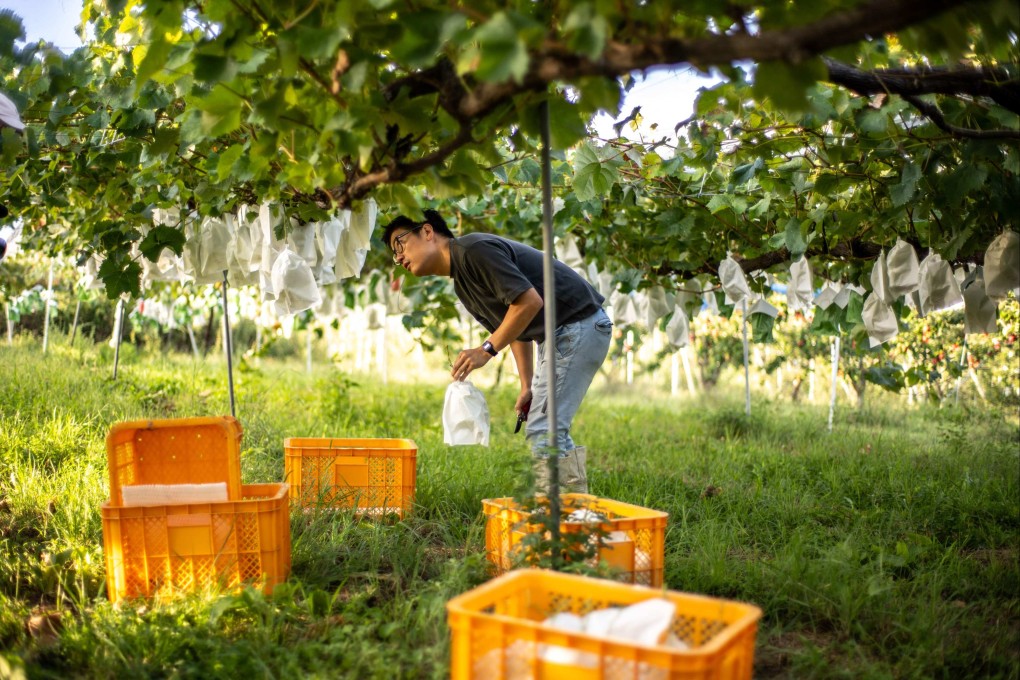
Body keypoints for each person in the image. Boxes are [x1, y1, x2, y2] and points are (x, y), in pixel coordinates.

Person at [383, 208, 612, 493]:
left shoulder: (473, 250)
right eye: (395, 254)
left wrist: (486, 349)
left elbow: (529, 302)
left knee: (545, 429)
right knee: (544, 428)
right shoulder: (462, 285)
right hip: (559, 334)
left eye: (399, 244)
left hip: (577, 324)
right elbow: (515, 326)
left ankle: (565, 516)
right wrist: (527, 384)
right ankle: (566, 512)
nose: (399, 257)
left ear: (427, 232)